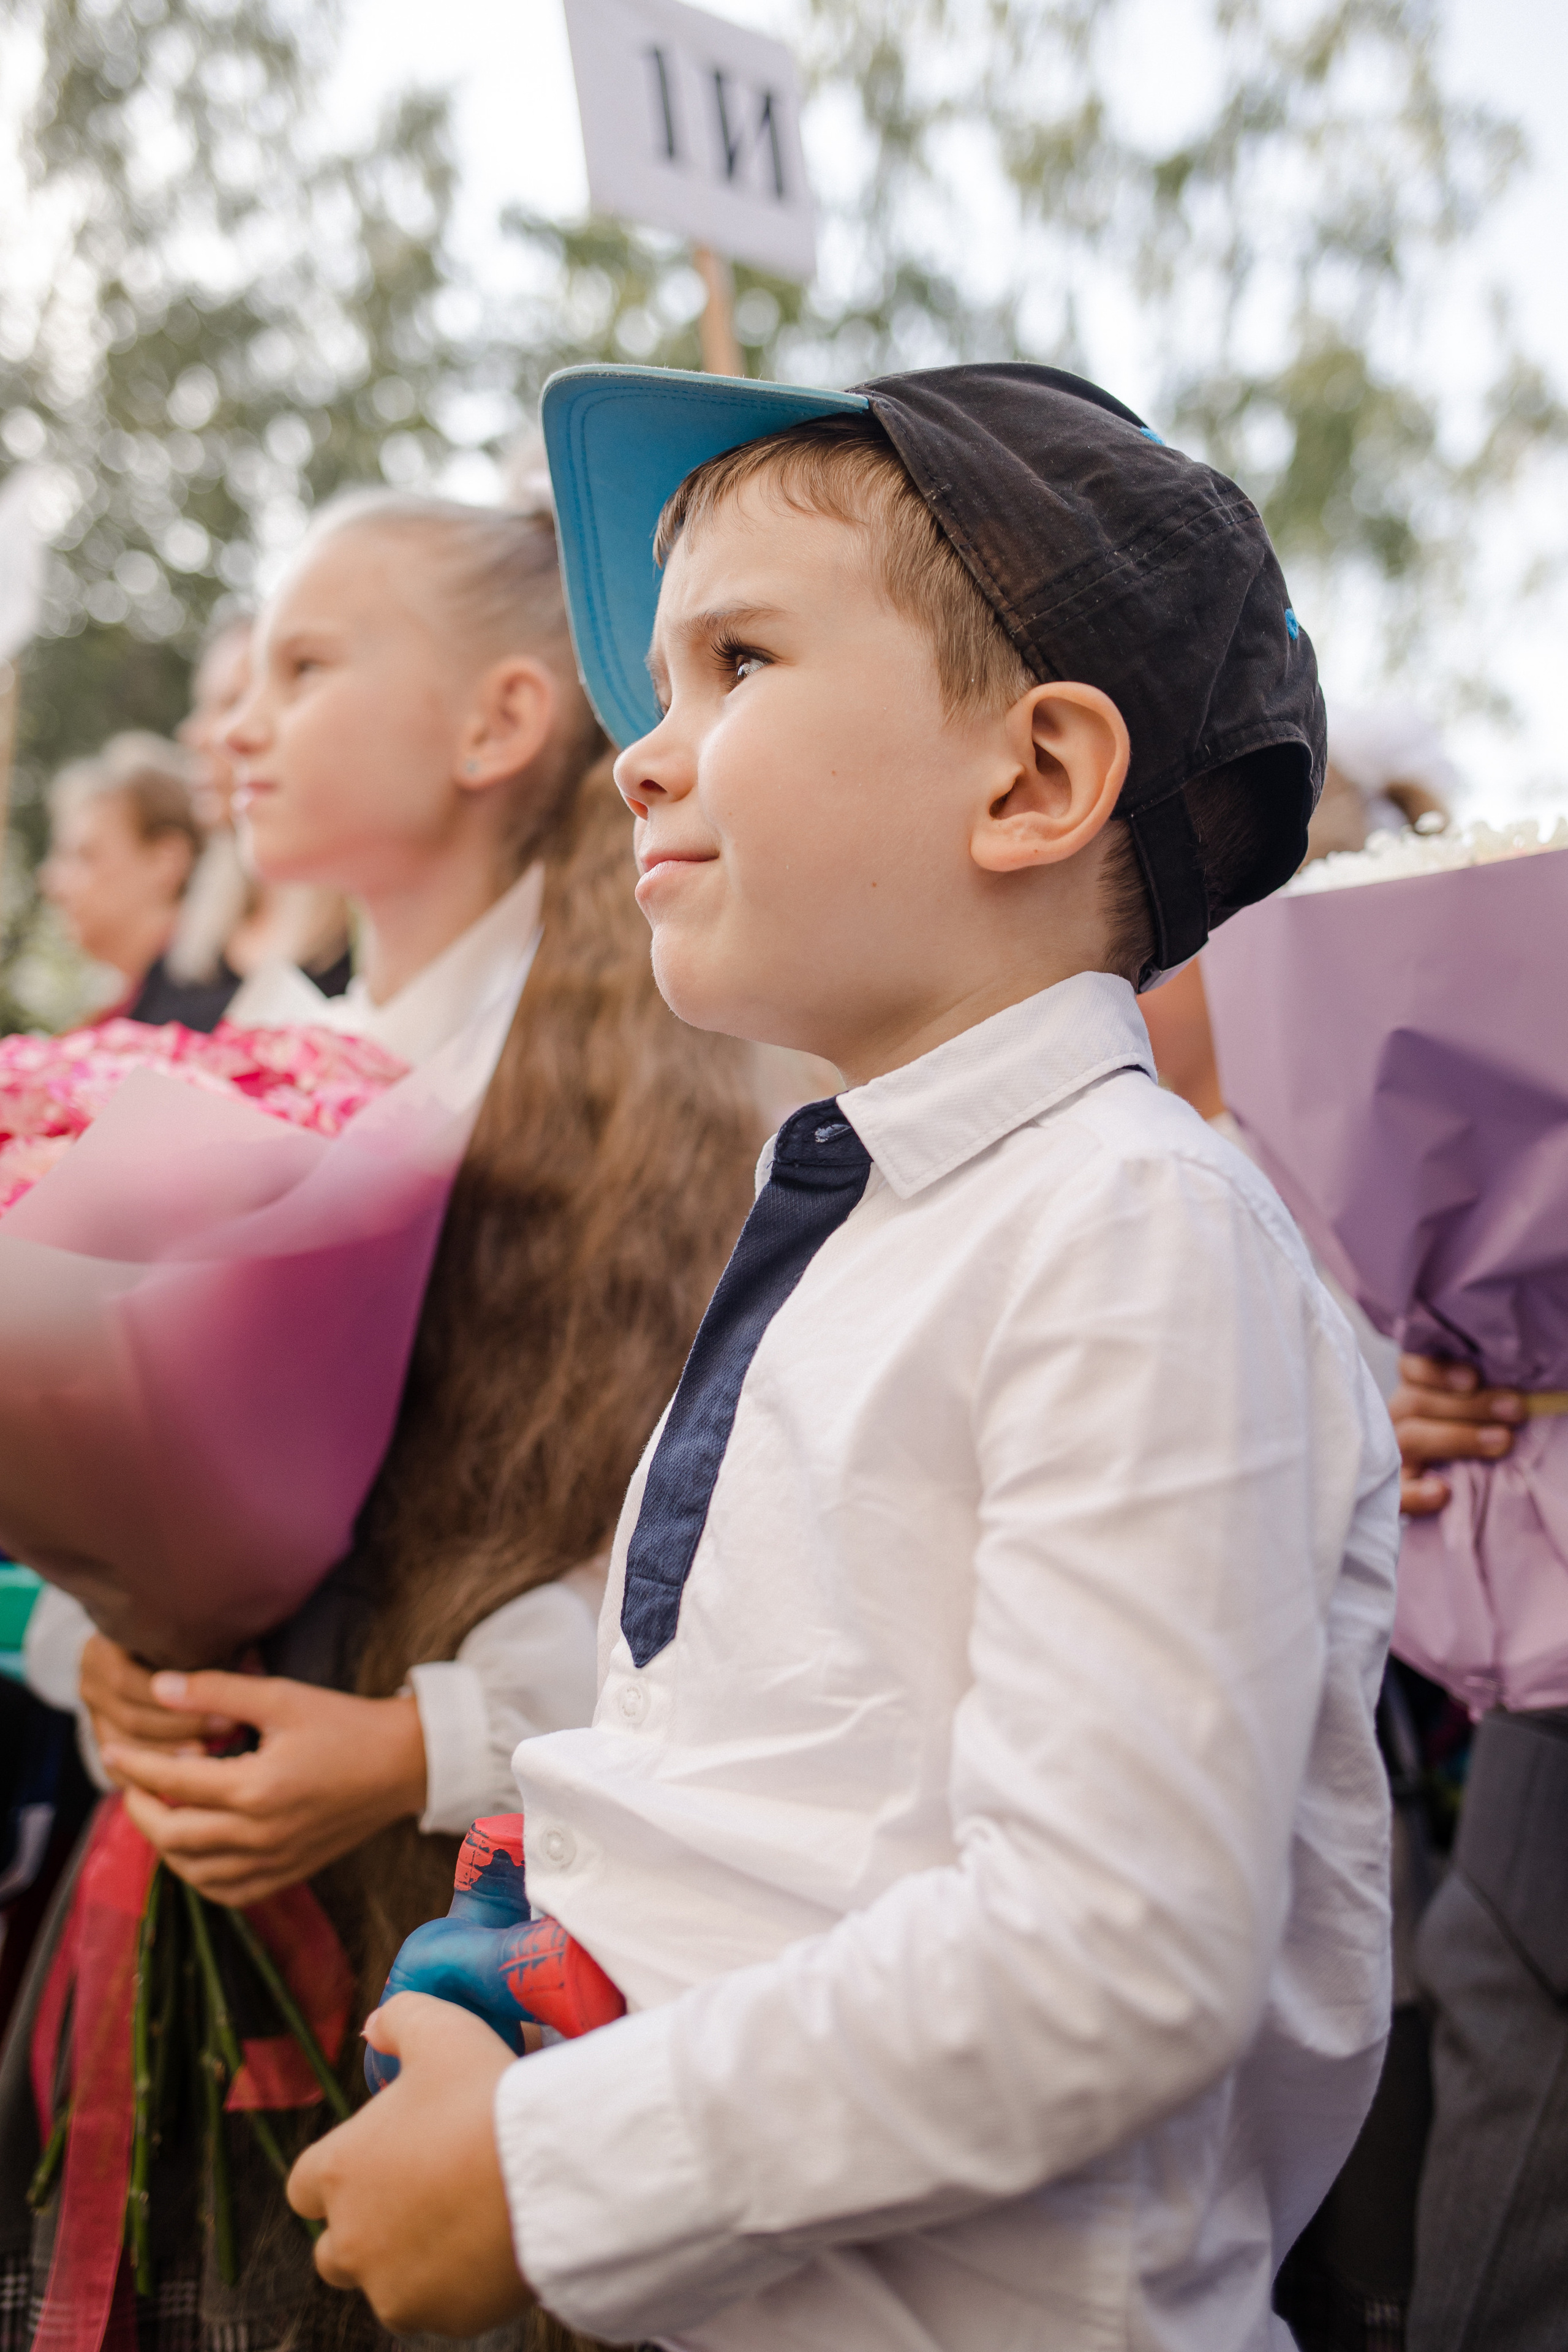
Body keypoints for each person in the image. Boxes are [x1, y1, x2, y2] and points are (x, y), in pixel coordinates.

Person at [287, 363, 1400, 2349]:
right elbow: (750, 1767)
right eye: (654, 681)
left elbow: (1112, 1954)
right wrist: (493, 2005)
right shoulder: (866, 1217)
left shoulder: (1128, 1228)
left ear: (1034, 780)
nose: (645, 750)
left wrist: (552, 2178)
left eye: (737, 663)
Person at [3, 491, 763, 2352]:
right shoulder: (245, 1054)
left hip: (490, 1918)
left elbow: (716, 1551)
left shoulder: (690, 1095)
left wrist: (417, 1740)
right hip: (215, 1837)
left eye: (304, 665)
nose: (234, 723)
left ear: (499, 723)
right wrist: (114, 1648)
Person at [161, 613, 353, 1027]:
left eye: (233, 702)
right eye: (205, 707)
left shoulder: (360, 958)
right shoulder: (189, 946)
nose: (199, 735)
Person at [39, 733, 205, 1018]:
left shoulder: (209, 1014)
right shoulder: (127, 1008)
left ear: (166, 862)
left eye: (84, 856)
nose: (52, 883)